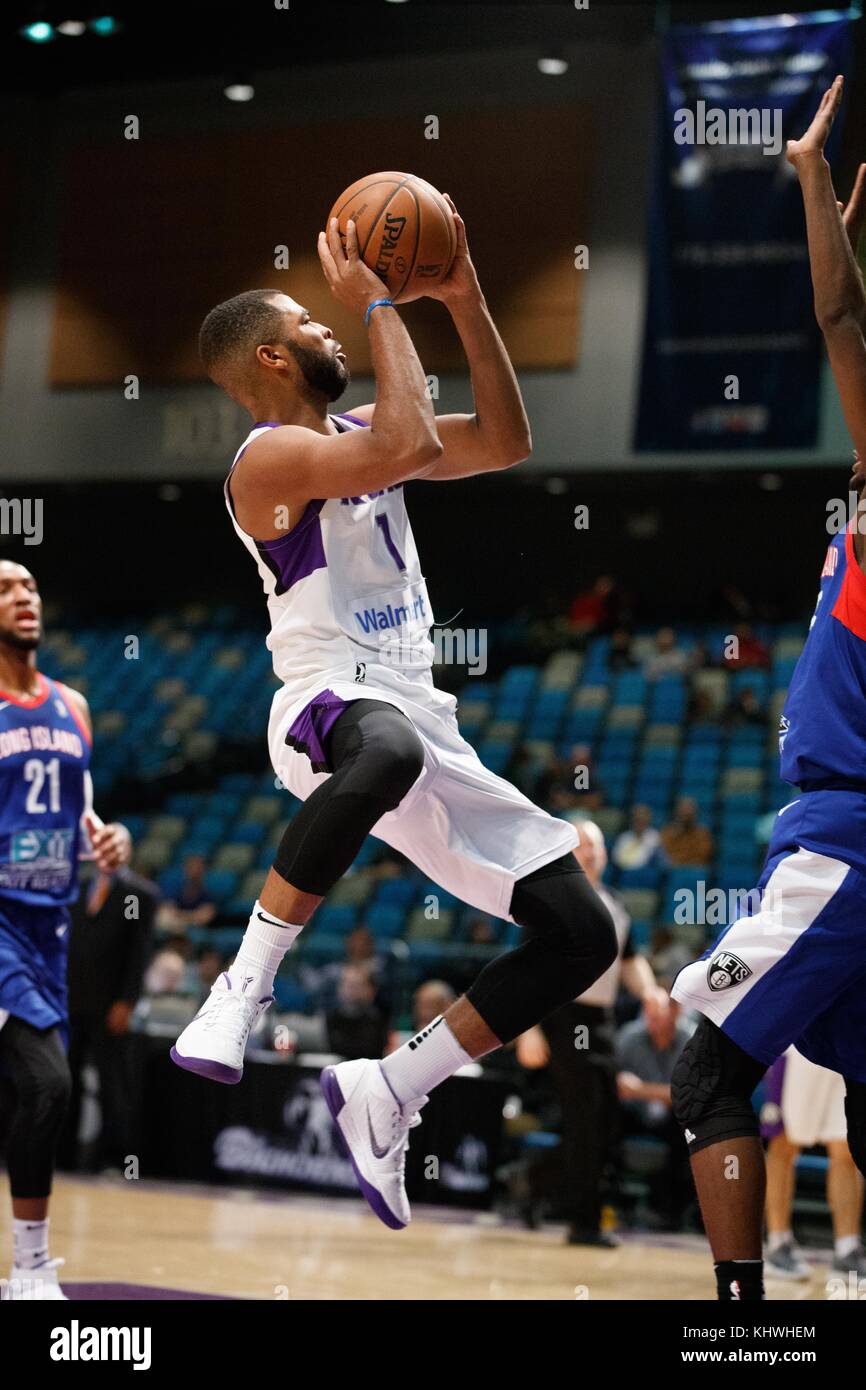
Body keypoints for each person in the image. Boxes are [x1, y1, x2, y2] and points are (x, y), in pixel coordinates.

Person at [170, 196, 616, 1231]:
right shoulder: (266, 460)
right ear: (273, 360)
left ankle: (392, 1088)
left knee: (579, 932)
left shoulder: (366, 426)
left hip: (418, 715)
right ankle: (244, 983)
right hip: (325, 701)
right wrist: (379, 306)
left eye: (334, 316)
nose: (330, 323)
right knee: (388, 746)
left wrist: (462, 297)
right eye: (311, 322)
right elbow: (407, 437)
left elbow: (503, 438)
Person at [670, 78, 866, 1301]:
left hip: (844, 835)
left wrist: (805, 184)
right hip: (843, 826)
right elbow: (846, 314)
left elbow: (839, 314)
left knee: (705, 1078)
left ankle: (740, 1331)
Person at [0, 561, 131, 1299]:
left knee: (34, 1097)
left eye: (30, 587)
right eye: (4, 589)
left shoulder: (72, 707)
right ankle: (31, 1268)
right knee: (47, 1082)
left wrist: (109, 840)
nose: (24, 597)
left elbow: (82, 814)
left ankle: (27, 1264)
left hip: (48, 926)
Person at [517, 820, 669, 1245]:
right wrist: (529, 1030)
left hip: (601, 1022)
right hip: (563, 1016)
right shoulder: (553, 900)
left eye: (597, 846)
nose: (590, 852)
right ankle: (583, 1223)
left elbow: (630, 960)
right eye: (582, 845)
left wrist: (651, 991)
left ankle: (536, 1182)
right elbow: (527, 969)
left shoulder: (615, 905)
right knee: (585, 1121)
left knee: (603, 1122)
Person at [60, 863, 157, 1172]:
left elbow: (139, 952)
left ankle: (116, 1161)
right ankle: (64, 1158)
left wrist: (127, 1001)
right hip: (70, 1001)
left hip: (110, 1006)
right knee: (64, 1080)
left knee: (112, 1085)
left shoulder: (138, 894)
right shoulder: (75, 886)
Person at [761, 1048, 865, 1281]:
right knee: (783, 1143)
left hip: (849, 1047)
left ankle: (847, 1249)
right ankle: (778, 1243)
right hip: (802, 1045)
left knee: (847, 1149)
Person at [616, 998, 695, 1230]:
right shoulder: (629, 1037)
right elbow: (611, 1081)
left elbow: (689, 1095)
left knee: (689, 1131)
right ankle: (612, 1203)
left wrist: (641, 1090)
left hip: (674, 1122)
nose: (653, 1020)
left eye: (658, 1013)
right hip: (636, 1114)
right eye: (649, 1013)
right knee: (604, 1121)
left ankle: (671, 1213)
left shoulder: (691, 1040)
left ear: (675, 1012)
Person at [156, 854, 216, 932]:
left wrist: (180, 915)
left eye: (198, 869)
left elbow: (204, 917)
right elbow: (166, 911)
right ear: (185, 870)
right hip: (175, 928)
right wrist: (192, 916)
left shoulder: (207, 895)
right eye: (192, 868)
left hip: (196, 931)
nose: (195, 872)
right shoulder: (176, 892)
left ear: (204, 872)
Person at [660, 797, 713, 867]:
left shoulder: (703, 833)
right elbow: (664, 856)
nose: (686, 814)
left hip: (697, 872)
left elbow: (704, 857)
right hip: (675, 871)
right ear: (677, 813)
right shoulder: (667, 833)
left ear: (695, 813)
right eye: (683, 811)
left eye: (689, 812)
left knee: (702, 876)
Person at [612, 804, 661, 873]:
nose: (639, 824)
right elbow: (616, 857)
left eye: (643, 820)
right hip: (621, 872)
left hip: (642, 873)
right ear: (632, 821)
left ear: (648, 821)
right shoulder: (624, 836)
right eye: (637, 820)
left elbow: (647, 859)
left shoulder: (654, 836)